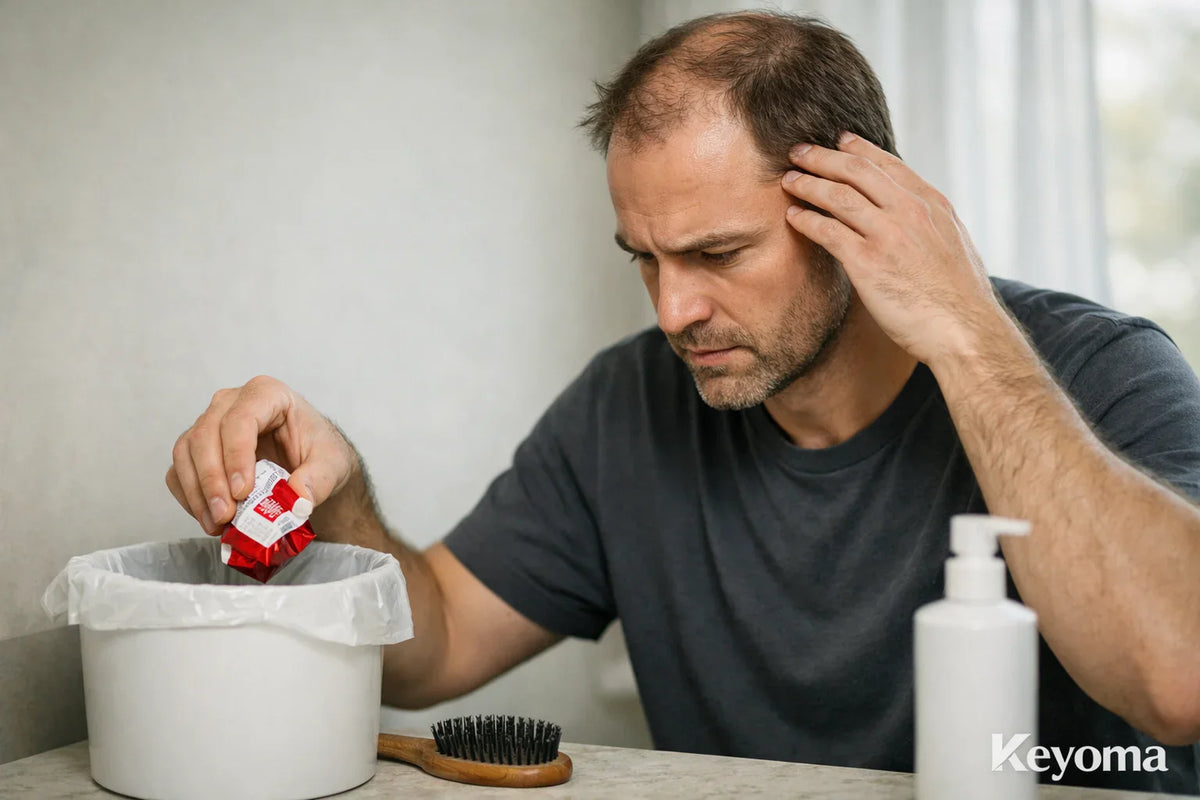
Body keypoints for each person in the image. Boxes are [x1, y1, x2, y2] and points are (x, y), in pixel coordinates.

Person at [166, 11, 1200, 793]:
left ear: (863, 204)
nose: (674, 308)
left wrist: (968, 332)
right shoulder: (627, 407)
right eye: (644, 259)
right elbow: (428, 649)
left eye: (717, 253)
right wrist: (335, 499)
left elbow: (1179, 677)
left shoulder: (1095, 370)